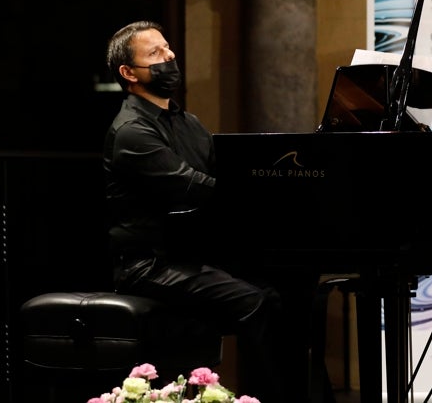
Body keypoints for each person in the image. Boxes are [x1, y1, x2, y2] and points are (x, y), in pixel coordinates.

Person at [103, 20, 309, 402]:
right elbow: (195, 187)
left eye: (167, 49)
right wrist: (265, 197)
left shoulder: (190, 124)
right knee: (255, 301)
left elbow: (223, 179)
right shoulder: (132, 130)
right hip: (148, 264)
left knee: (292, 289)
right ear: (128, 73)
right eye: (154, 54)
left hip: (190, 255)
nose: (168, 58)